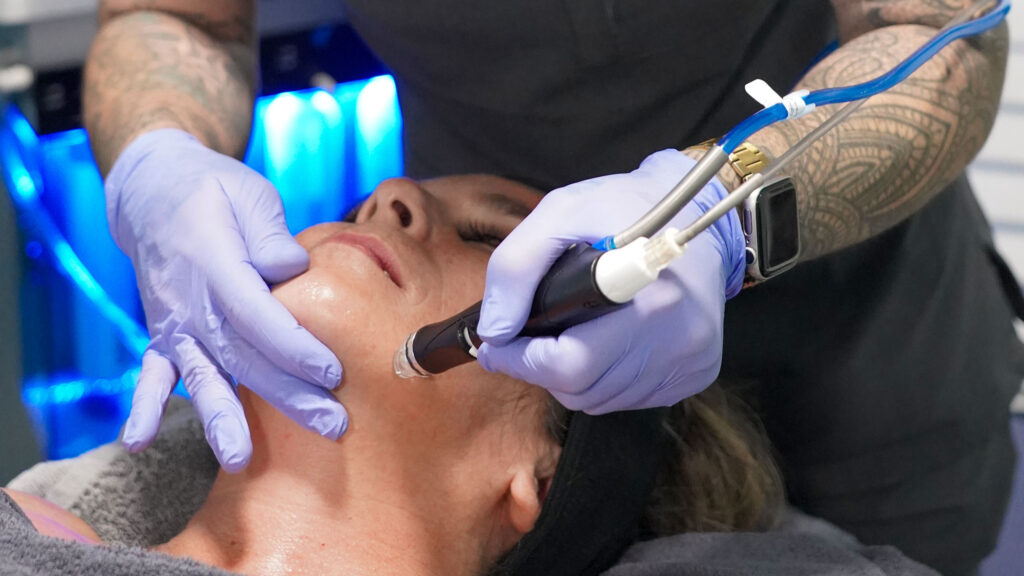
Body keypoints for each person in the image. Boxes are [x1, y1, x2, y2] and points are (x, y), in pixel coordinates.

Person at [83, 1, 1023, 574]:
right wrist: (155, 163)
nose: (389, 197)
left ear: (525, 485)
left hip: (866, 342)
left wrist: (725, 216)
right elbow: (177, 17)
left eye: (484, 232)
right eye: (374, 201)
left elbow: (936, 30)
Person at [1, 174, 794, 576]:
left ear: (541, 475)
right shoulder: (35, 529)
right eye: (352, 210)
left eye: (488, 238)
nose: (391, 196)